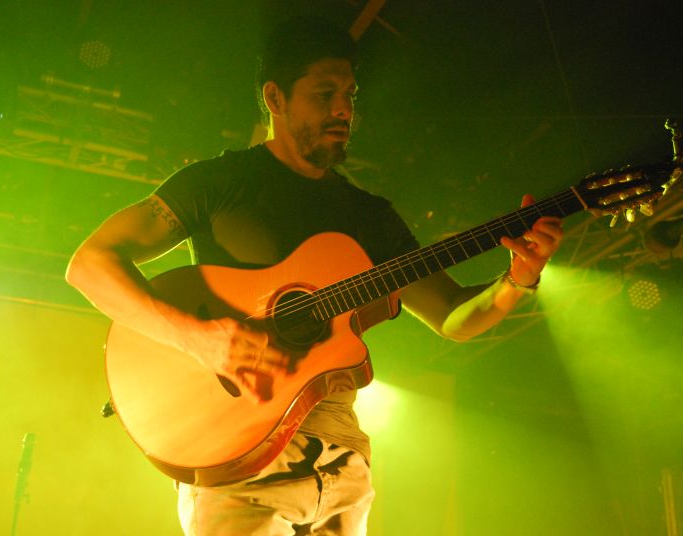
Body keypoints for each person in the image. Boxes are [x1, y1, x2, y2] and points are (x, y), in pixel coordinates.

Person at [66, 15, 563, 536]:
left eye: (349, 94)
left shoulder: (371, 217)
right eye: (324, 93)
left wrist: (518, 281)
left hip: (342, 457)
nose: (343, 109)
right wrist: (198, 340)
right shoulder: (218, 183)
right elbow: (90, 265)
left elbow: (453, 319)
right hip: (240, 457)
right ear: (276, 98)